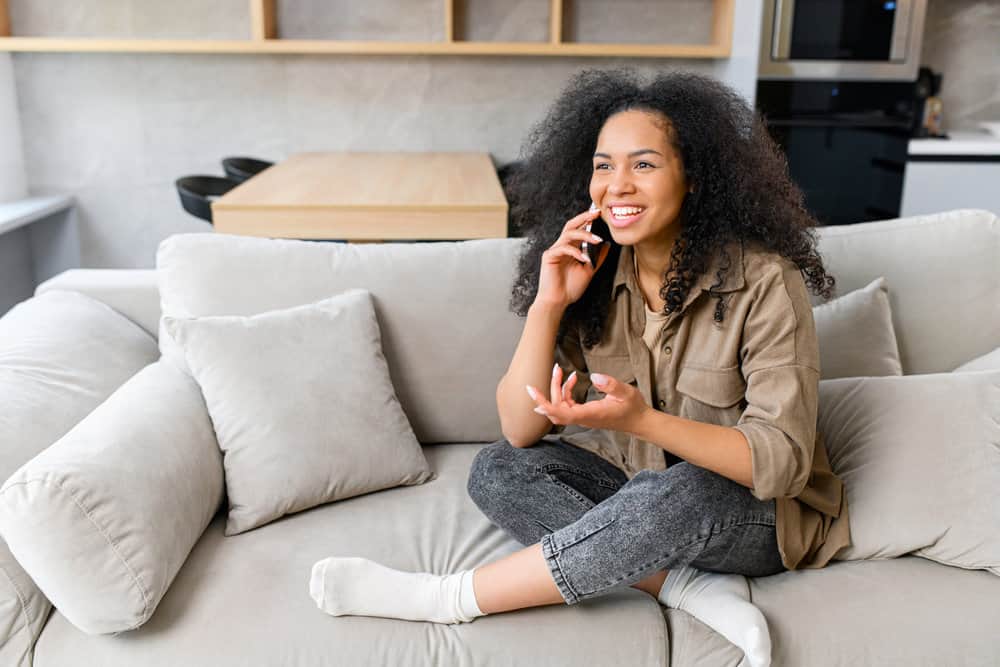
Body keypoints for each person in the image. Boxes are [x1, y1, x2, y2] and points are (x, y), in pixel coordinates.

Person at [307, 68, 851, 667]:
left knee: (682, 487)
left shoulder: (765, 282)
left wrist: (643, 423)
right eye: (603, 166)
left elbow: (781, 463)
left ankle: (448, 598)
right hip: (644, 498)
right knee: (497, 468)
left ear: (694, 179)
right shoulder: (594, 278)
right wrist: (549, 302)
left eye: (644, 165)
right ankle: (683, 586)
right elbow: (519, 429)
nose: (617, 186)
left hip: (752, 517)